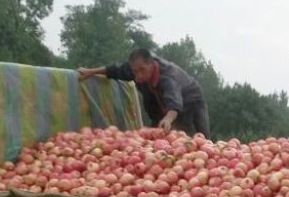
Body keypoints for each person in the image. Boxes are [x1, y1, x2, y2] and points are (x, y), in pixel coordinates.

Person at [78, 47, 210, 137]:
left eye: (142, 70)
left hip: (190, 98)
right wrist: (91, 71)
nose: (138, 75)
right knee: (157, 132)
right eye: (135, 71)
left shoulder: (168, 76)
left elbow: (174, 102)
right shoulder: (135, 70)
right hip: (158, 101)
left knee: (196, 135)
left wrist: (169, 120)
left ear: (152, 64)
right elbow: (114, 70)